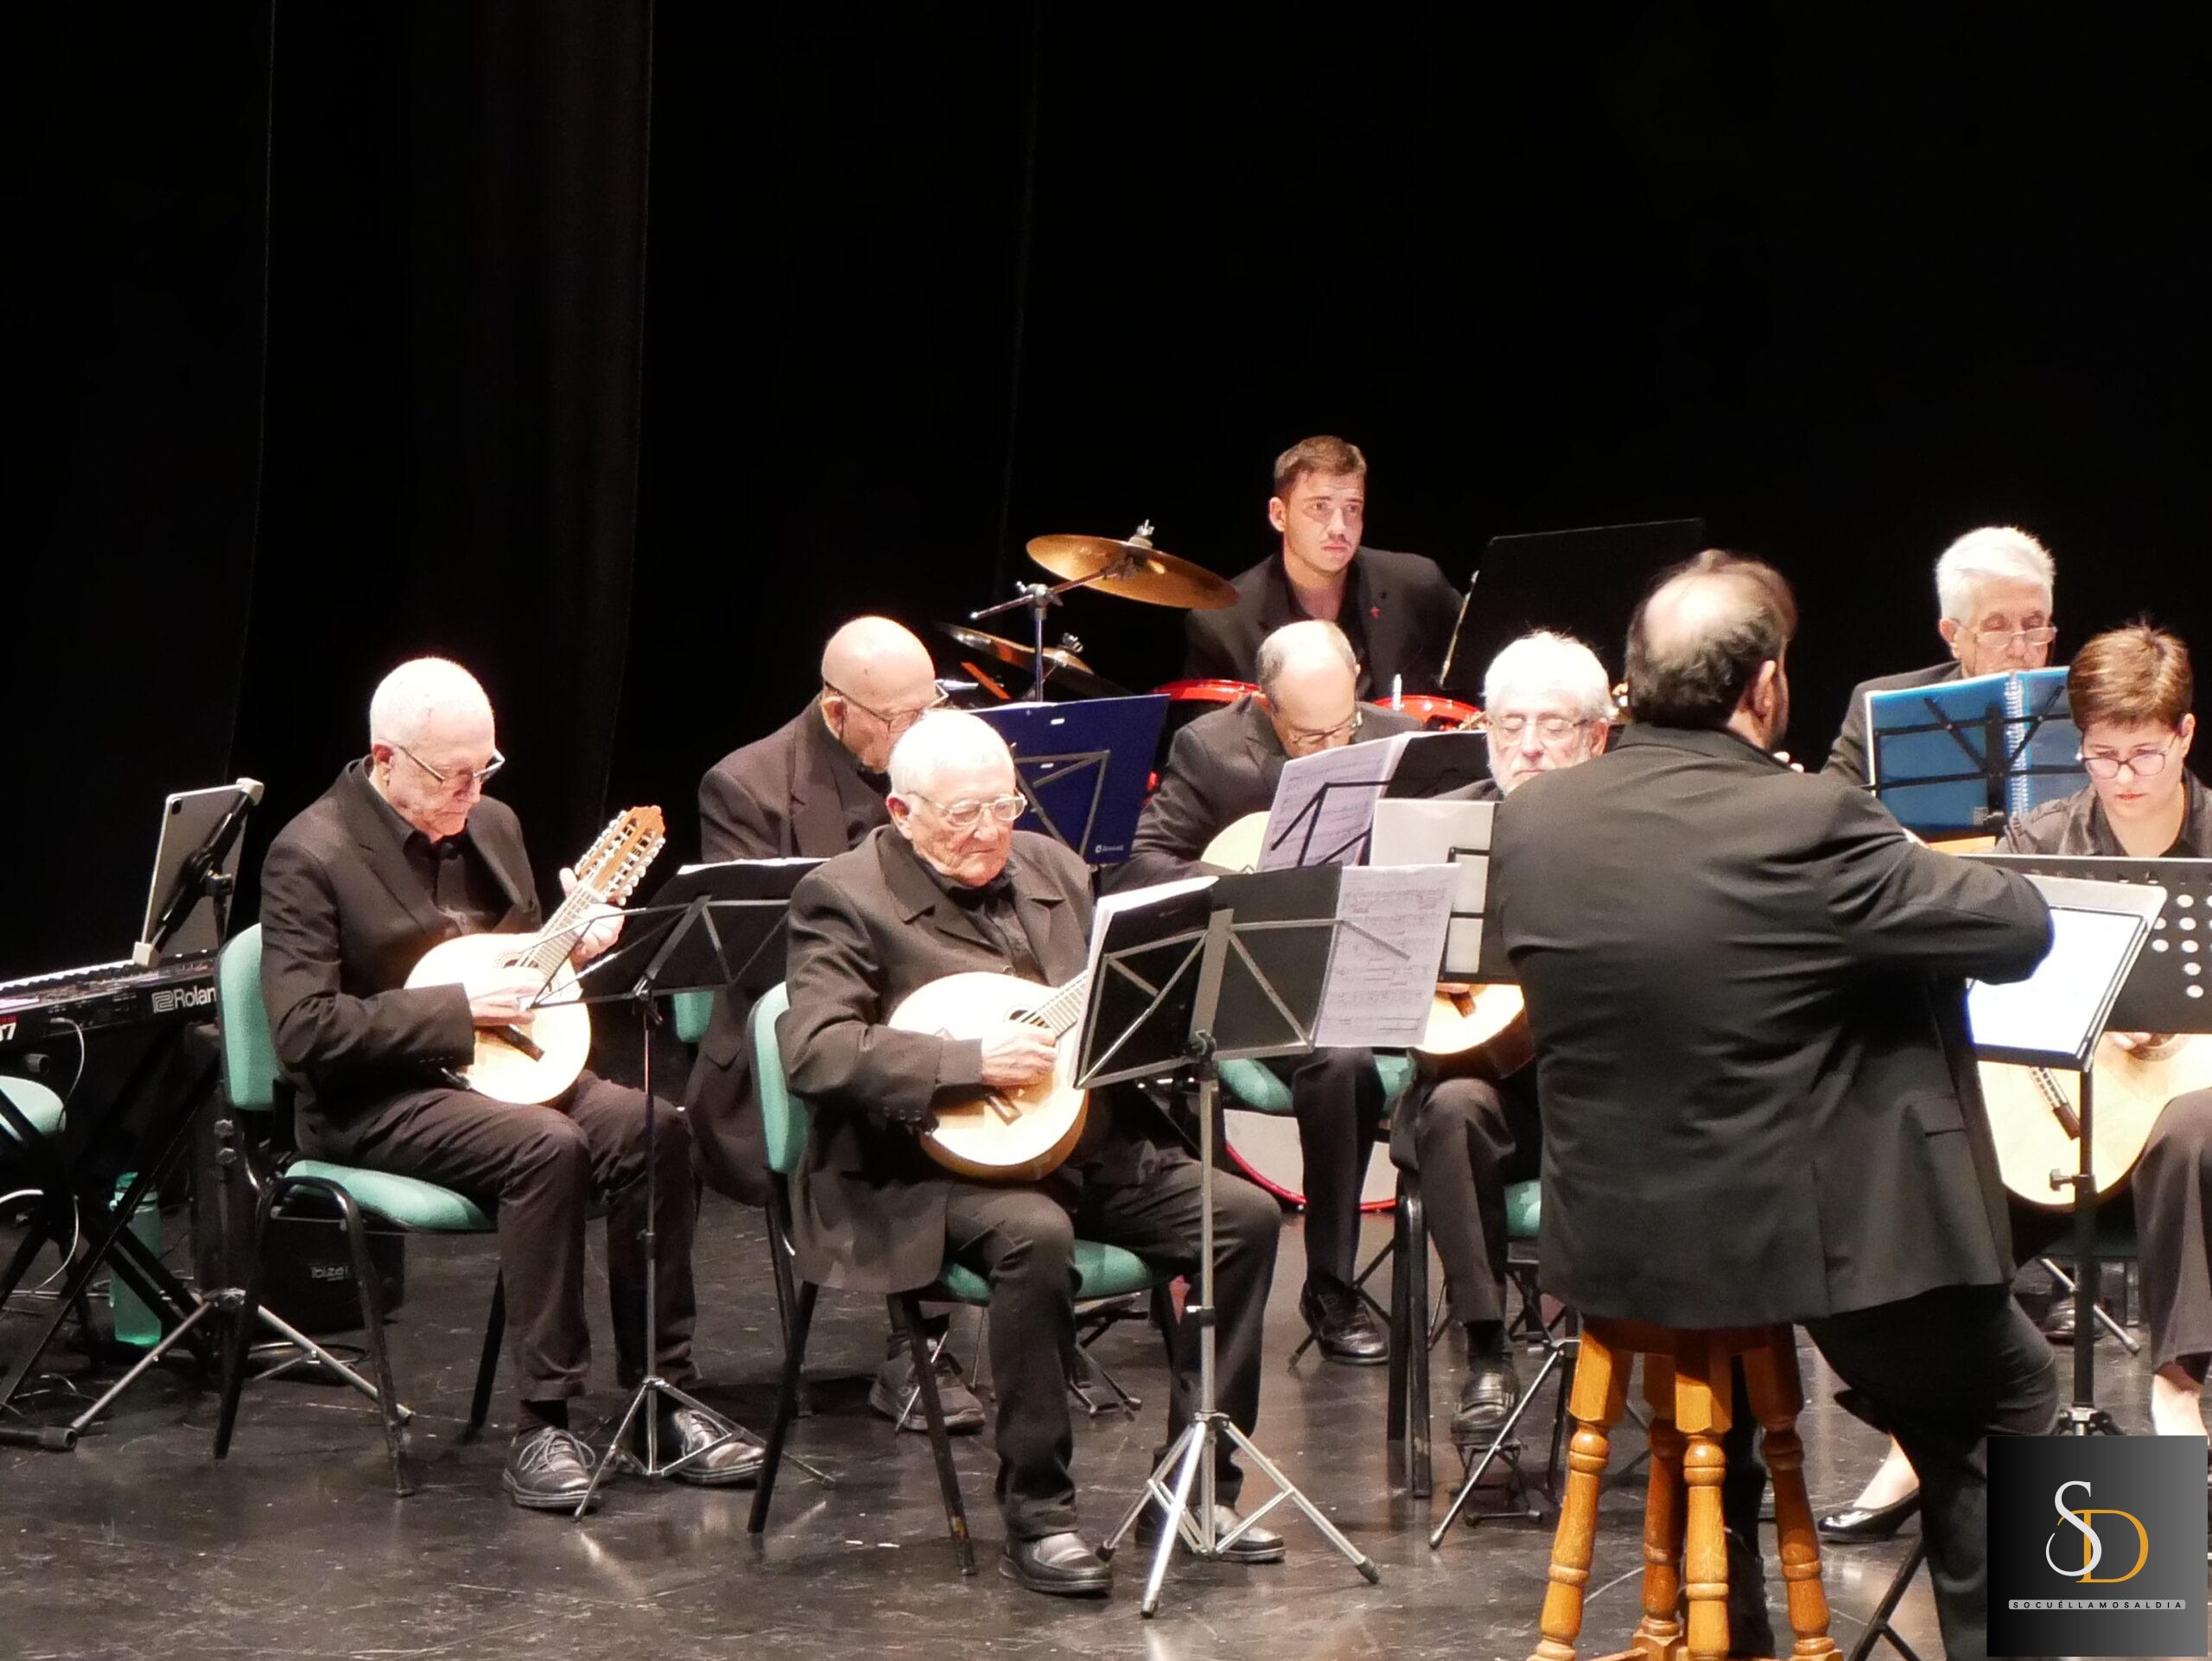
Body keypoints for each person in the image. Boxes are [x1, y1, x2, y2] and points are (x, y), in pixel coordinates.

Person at [1494, 552, 2058, 1661]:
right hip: (1797, 1238)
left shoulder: (1536, 816)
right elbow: (2016, 926)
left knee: (1722, 1383)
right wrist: (1891, 851)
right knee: (2016, 1396)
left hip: (1620, 1243)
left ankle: (1733, 1625)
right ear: (1764, 684)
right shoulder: (1808, 817)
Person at [777, 712, 1284, 1597]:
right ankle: (1039, 1513)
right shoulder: (843, 895)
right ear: (901, 810)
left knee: (1241, 1216)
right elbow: (816, 1051)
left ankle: (1198, 1487)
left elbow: (1114, 1003)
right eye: (963, 815)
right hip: (925, 1164)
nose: (989, 832)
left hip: (1072, 1137)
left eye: (1003, 807)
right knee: (1034, 1235)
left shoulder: (1050, 866)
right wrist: (967, 1061)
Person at [258, 657, 761, 1511]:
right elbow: (304, 1030)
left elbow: (526, 972)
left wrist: (579, 947)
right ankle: (543, 1420)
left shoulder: (492, 824)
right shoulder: (310, 853)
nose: (472, 790)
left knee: (658, 1127)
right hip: (373, 1096)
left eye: (483, 767)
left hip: (501, 1072)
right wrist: (454, 1010)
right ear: (386, 760)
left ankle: (662, 1398)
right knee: (546, 1147)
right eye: (452, 774)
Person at [1831, 624, 2212, 1542]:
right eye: (2102, 753)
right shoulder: (2041, 839)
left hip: (2186, 1126)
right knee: (1930, 1167)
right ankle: (1921, 1428)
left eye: (2144, 753)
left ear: (2185, 735)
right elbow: (1982, 986)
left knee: (2190, 1130)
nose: (2123, 776)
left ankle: (2177, 1390)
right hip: (2069, 1113)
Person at [687, 617, 983, 1435]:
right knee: (898, 1081)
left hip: (921, 1010)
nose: (919, 732)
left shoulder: (942, 765)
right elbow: (757, 959)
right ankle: (916, 1347)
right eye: (901, 718)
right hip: (794, 1034)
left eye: (930, 708)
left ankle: (998, 1314)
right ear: (838, 710)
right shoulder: (745, 786)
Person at [1115, 619, 1419, 1362]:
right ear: (1266, 705)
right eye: (1309, 736)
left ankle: (1479, 1301)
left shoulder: (1397, 739)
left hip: (1370, 962)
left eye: (1344, 728)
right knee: (1341, 1064)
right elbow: (1138, 865)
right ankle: (1331, 1286)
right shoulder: (1212, 750)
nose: (1332, 747)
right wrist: (1236, 880)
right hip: (1259, 975)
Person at [1385, 631, 1611, 1449]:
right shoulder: (1437, 830)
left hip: (1606, 1089)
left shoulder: (1630, 828)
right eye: (1510, 725)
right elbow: (1386, 986)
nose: (1529, 746)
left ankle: (1662, 1358)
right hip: (1491, 1089)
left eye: (1553, 725)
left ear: (1596, 736)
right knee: (1453, 1109)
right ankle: (1486, 1352)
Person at [1182, 435, 1462, 697]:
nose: (1339, 527)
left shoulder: (1417, 585)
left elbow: (1474, 680)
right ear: (1279, 515)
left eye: (1352, 508)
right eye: (1319, 507)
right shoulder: (1225, 624)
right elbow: (1211, 732)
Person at [1822, 525, 2057, 784]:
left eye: (2034, 626)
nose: (2020, 649)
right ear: (1952, 635)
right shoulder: (1883, 710)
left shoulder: (2083, 704)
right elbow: (1832, 801)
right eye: (1996, 629)